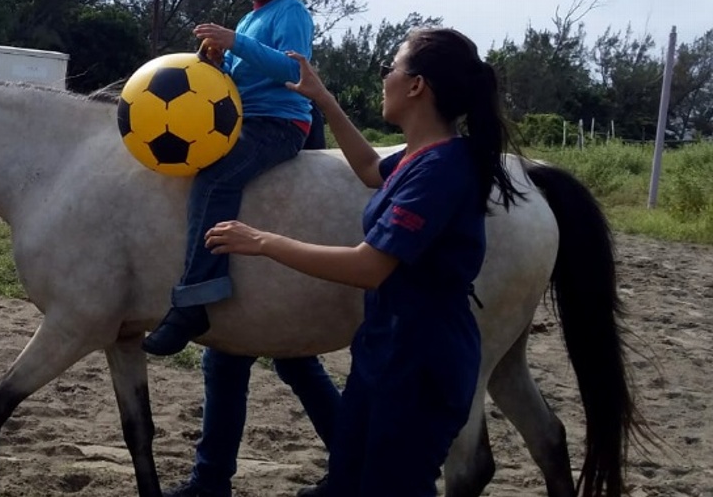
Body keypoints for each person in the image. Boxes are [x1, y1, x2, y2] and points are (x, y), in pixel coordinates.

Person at [204, 27, 523, 495]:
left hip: (423, 359)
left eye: (388, 68)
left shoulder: (441, 171)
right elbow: (372, 171)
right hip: (384, 348)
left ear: (416, 86)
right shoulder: (420, 156)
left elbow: (368, 267)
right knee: (347, 481)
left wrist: (263, 241)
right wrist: (324, 98)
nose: (383, 78)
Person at [143, 0, 320, 356]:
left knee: (217, 177)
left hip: (279, 123)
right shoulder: (248, 19)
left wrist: (236, 43)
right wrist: (220, 64)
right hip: (246, 117)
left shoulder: (291, 11)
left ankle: (194, 300)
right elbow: (244, 77)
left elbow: (292, 70)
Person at [163, 116, 341, 497]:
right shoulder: (256, 93)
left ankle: (352, 465)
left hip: (266, 248)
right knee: (234, 360)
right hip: (251, 245)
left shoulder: (284, 103)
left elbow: (299, 178)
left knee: (286, 361)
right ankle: (211, 478)